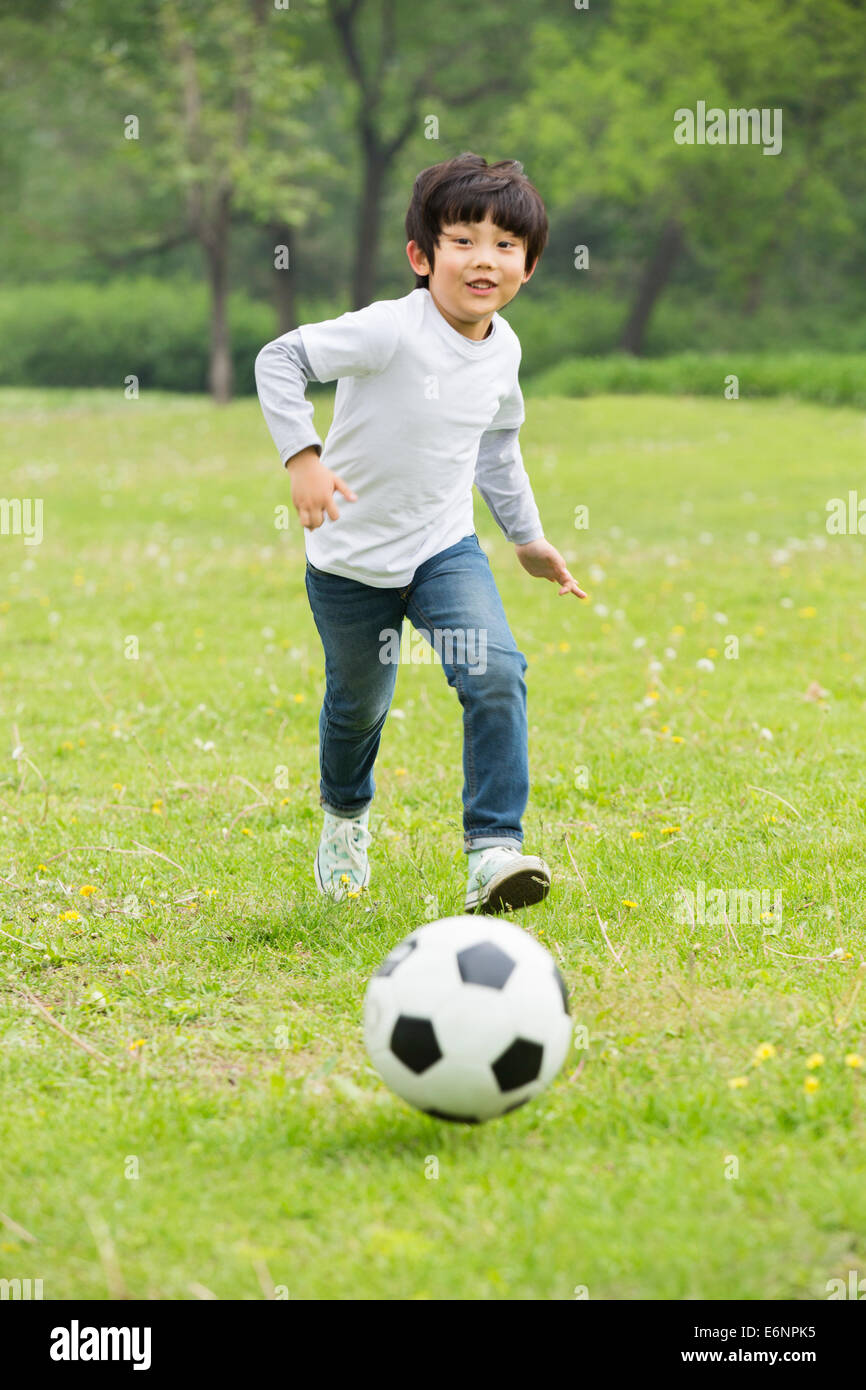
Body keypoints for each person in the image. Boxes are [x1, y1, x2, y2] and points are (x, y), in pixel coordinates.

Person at [254, 152, 586, 915]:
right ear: (421, 255)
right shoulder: (388, 331)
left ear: (529, 266)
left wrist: (527, 539)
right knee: (358, 707)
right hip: (348, 562)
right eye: (464, 239)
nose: (484, 259)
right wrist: (303, 459)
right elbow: (282, 358)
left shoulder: (503, 349)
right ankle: (344, 823)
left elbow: (497, 446)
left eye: (506, 245)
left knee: (496, 672)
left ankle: (493, 853)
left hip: (442, 552)